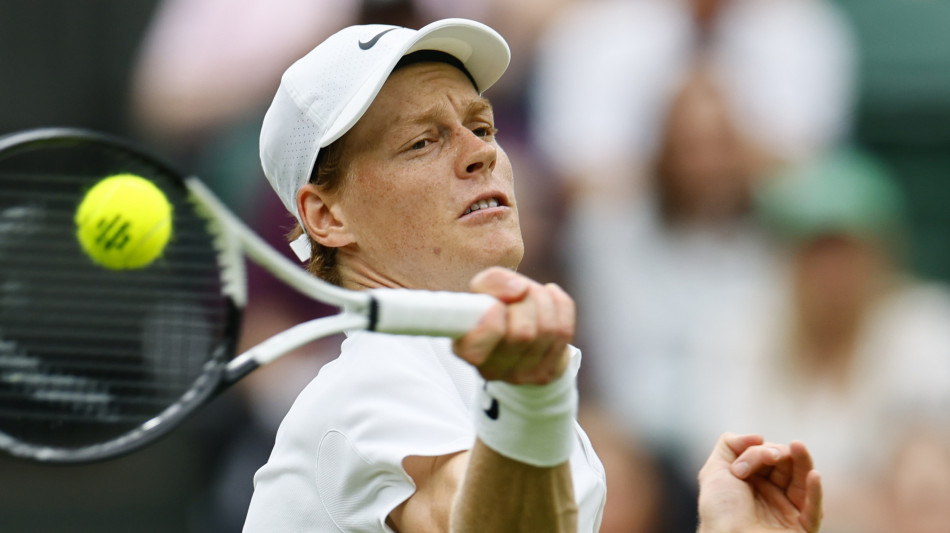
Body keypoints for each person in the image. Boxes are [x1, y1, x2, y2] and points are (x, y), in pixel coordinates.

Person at [242, 18, 822, 532]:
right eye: (421, 142)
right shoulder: (371, 386)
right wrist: (528, 399)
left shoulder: (469, 382)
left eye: (482, 128)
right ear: (327, 216)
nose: (481, 154)